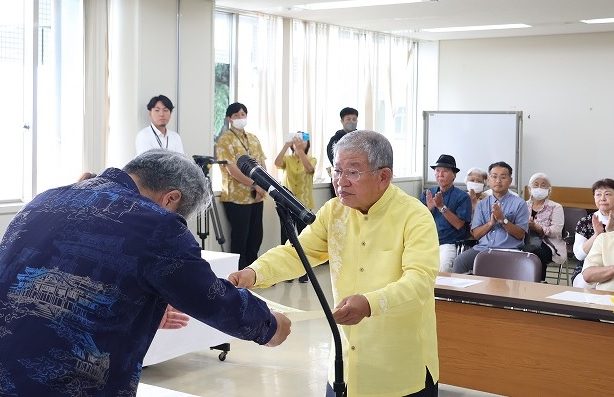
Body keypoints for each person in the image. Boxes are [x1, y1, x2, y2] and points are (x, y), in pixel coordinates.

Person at [0, 149, 291, 396]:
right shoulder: (157, 224)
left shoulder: (45, 199)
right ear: (171, 199)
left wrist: (130, 302)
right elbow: (211, 297)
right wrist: (269, 326)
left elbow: (46, 274)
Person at [229, 130, 440, 397]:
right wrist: (253, 273)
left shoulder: (415, 216)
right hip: (345, 367)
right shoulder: (334, 211)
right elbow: (297, 254)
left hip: (399, 369)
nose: (341, 182)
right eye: (336, 171)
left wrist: (369, 303)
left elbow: (420, 281)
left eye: (353, 172)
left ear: (383, 176)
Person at [452, 161, 529, 274]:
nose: (498, 181)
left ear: (510, 181)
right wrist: (490, 224)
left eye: (503, 177)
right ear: (488, 180)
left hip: (508, 251)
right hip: (483, 249)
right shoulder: (482, 204)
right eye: (494, 177)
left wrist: (503, 220)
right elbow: (476, 234)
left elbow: (520, 234)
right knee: (460, 262)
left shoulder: (520, 203)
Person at [215, 102, 267, 270]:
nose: (240, 118)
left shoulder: (253, 138)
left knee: (256, 237)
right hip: (236, 198)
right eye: (236, 115)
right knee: (240, 238)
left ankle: (254, 272)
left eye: (243, 114)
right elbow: (231, 168)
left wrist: (263, 186)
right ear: (229, 118)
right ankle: (238, 274)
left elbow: (262, 164)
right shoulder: (225, 139)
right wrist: (254, 184)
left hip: (257, 197)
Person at [274, 134, 317, 283]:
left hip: (304, 205)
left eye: (303, 140)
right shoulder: (288, 160)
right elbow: (277, 163)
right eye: (297, 140)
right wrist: (286, 146)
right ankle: (287, 272)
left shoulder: (311, 158)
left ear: (308, 143)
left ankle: (304, 271)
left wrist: (300, 152)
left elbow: (309, 169)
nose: (300, 142)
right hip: (286, 204)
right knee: (287, 239)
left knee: (304, 239)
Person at [420, 154, 472, 272]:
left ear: (454, 175)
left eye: (445, 171)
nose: (440, 174)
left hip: (449, 244)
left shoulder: (463, 197)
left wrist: (441, 207)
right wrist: (429, 209)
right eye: (437, 170)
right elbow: (418, 221)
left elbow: (459, 224)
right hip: (427, 241)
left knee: (443, 269)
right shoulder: (428, 193)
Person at [523, 172, 566, 281]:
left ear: (549, 190)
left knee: (536, 253)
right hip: (524, 240)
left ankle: (538, 282)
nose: (539, 188)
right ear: (529, 189)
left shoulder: (556, 207)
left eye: (543, 185)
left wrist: (538, 228)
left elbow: (557, 231)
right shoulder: (522, 205)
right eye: (536, 185)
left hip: (548, 243)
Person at [571, 178, 614, 287]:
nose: (602, 198)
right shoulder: (585, 222)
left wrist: (610, 232)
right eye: (598, 194)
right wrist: (596, 235)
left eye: (607, 194)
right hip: (588, 268)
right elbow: (579, 255)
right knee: (583, 285)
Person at [326, 107, 358, 197]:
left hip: (358, 178)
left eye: (354, 119)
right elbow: (333, 160)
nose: (352, 122)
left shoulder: (362, 138)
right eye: (348, 119)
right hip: (341, 177)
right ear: (342, 121)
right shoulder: (335, 140)